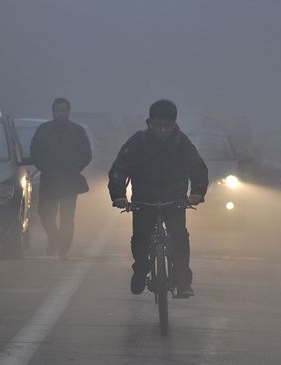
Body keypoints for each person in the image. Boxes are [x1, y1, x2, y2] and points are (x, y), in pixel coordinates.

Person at [108, 99, 208, 298]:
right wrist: (118, 194)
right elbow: (119, 169)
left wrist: (197, 192)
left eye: (167, 125)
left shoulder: (182, 143)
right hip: (144, 201)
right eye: (158, 125)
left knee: (179, 237)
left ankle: (183, 281)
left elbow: (197, 168)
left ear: (174, 125)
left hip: (174, 200)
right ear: (149, 123)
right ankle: (140, 269)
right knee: (140, 240)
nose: (162, 130)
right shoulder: (137, 142)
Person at [30, 98, 92, 260]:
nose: (60, 113)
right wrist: (44, 167)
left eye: (63, 110)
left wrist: (75, 169)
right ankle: (55, 237)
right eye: (58, 110)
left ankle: (63, 250)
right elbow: (35, 151)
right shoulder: (43, 130)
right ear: (53, 112)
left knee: (67, 218)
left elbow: (87, 154)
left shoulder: (77, 131)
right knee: (44, 214)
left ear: (68, 112)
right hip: (49, 180)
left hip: (69, 181)